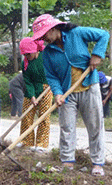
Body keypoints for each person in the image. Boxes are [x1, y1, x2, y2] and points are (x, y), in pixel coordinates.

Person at [32, 14, 108, 176]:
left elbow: (104, 35)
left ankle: (97, 163)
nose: (44, 39)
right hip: (68, 92)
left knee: (95, 126)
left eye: (44, 35)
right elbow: (51, 77)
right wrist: (58, 93)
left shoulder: (77, 33)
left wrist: (97, 54)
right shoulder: (47, 54)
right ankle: (67, 162)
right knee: (67, 127)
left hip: (89, 86)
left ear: (53, 29)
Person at [19, 37, 53, 153]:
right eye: (25, 55)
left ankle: (41, 144)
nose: (27, 57)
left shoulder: (45, 56)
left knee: (44, 117)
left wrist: (52, 82)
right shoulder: (25, 63)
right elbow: (27, 81)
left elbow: (55, 69)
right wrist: (32, 96)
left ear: (35, 50)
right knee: (27, 115)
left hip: (46, 88)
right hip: (31, 90)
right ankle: (26, 142)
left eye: (29, 54)